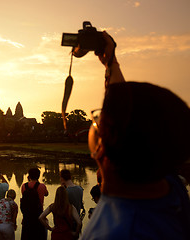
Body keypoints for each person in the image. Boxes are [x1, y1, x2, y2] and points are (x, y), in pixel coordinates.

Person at [80, 32, 190, 239]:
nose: (95, 123)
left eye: (98, 119)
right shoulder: (165, 183)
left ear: (102, 149)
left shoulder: (122, 233)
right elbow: (131, 117)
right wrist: (111, 62)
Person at [20, 167, 48, 240]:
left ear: (29, 176)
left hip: (27, 216)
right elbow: (46, 194)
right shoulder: (42, 186)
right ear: (38, 176)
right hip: (39, 216)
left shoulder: (24, 186)